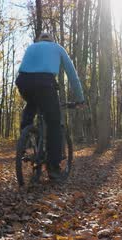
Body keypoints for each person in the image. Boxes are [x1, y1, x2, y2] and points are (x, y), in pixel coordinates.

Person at [16, 32, 85, 181]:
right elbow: (72, 75)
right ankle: (53, 168)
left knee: (32, 104)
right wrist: (80, 99)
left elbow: (25, 69)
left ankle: (26, 138)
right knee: (54, 123)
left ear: (39, 40)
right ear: (52, 41)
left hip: (23, 81)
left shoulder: (31, 47)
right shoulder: (57, 48)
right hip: (45, 83)